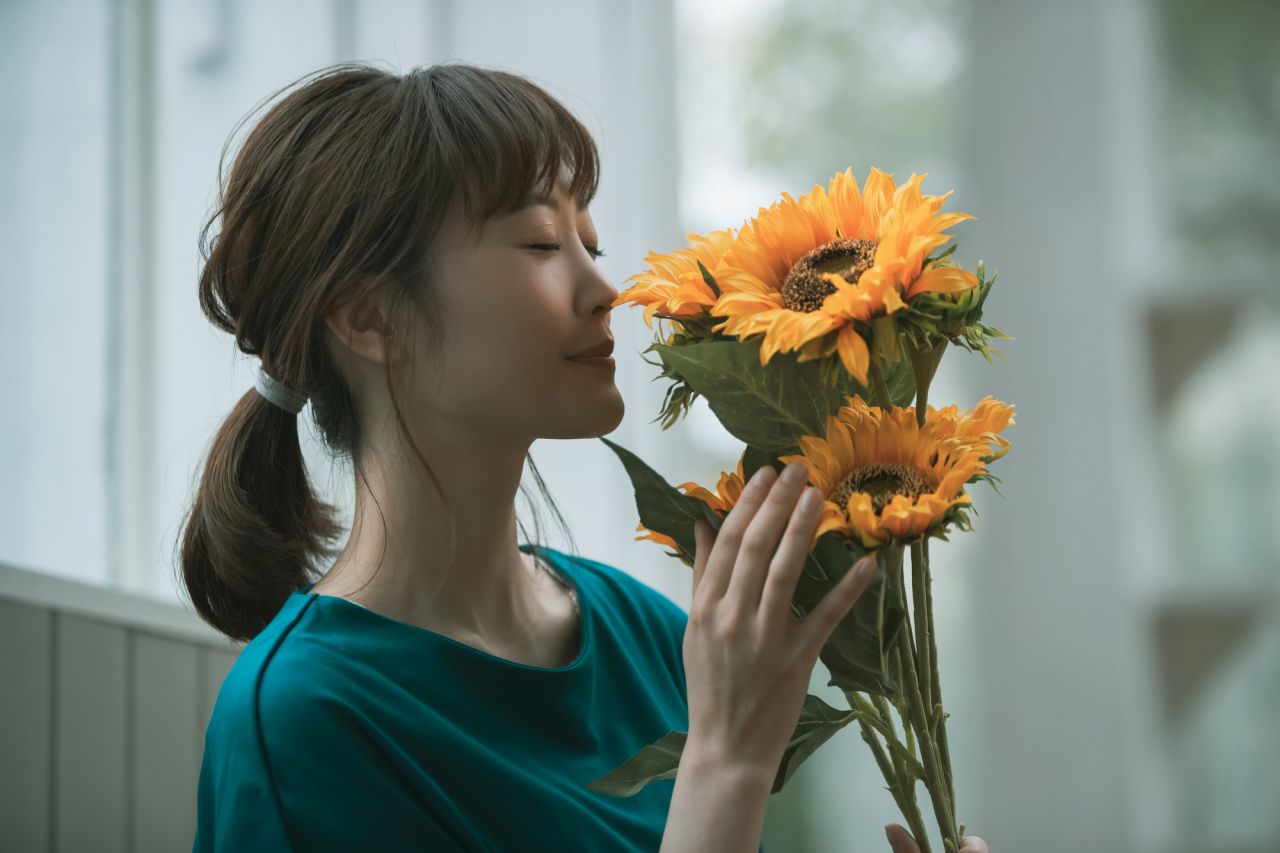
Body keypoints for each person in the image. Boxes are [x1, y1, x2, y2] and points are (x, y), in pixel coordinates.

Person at [182, 60, 988, 853]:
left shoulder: (652, 635)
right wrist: (726, 764)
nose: (605, 288)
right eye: (539, 242)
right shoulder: (304, 721)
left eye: (589, 241)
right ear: (370, 318)